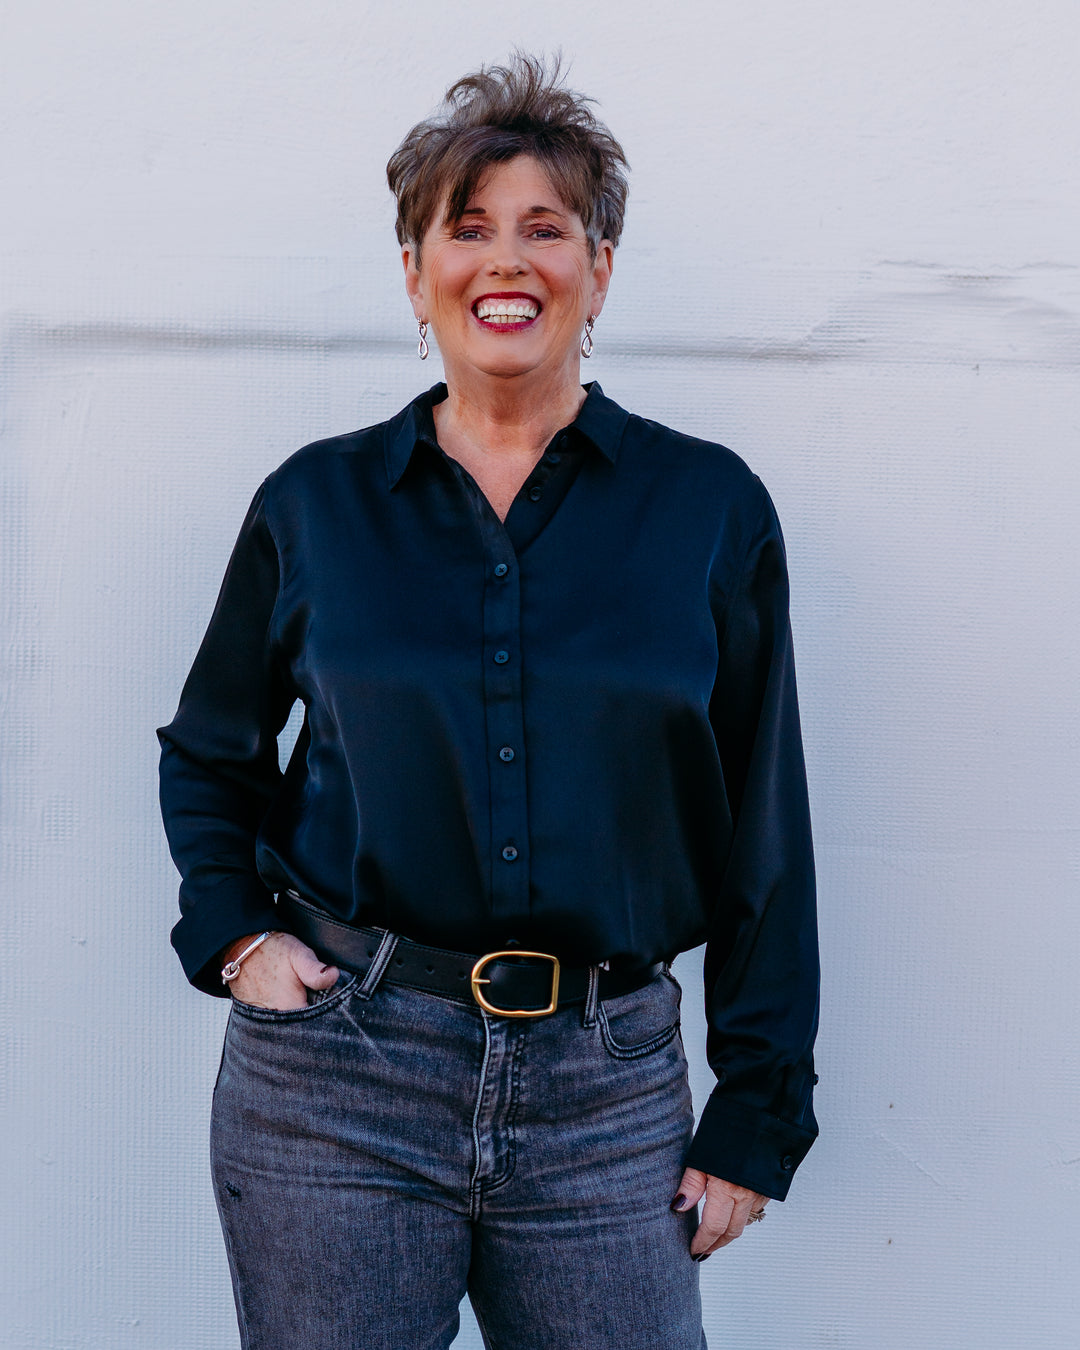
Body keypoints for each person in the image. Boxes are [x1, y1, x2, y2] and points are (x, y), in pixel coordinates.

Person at [158, 54, 819, 1350]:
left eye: (544, 227)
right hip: (340, 1080)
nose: (504, 260)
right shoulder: (316, 505)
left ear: (600, 269)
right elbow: (211, 751)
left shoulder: (709, 510)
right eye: (465, 229)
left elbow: (765, 824)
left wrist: (759, 1102)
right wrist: (238, 939)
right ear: (416, 276)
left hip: (605, 1090)